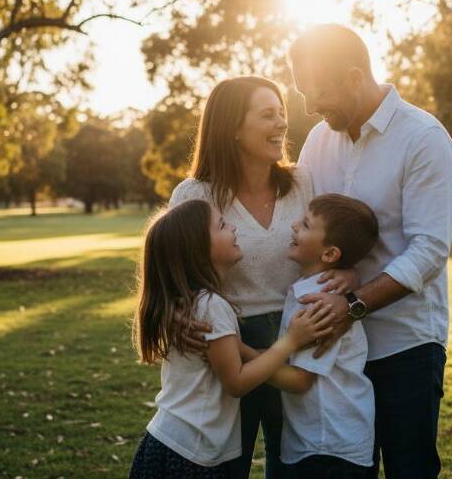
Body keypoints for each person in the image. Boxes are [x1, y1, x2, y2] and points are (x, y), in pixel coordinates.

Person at [289, 24, 452, 479]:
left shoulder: (424, 138)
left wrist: (353, 303)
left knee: (409, 470)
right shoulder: (317, 142)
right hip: (337, 351)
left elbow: (430, 250)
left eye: (316, 92)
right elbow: (304, 230)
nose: (309, 107)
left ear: (352, 77)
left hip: (405, 344)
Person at [168, 76, 319, 479]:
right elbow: (171, 276)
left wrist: (347, 273)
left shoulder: (303, 183)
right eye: (268, 114)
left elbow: (331, 245)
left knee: (293, 464)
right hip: (224, 345)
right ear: (233, 127)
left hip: (297, 335)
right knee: (227, 467)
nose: (282, 123)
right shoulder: (193, 195)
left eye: (282, 112)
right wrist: (176, 314)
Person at [128, 199, 334, 479]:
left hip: (171, 441)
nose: (234, 228)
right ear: (198, 249)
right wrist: (291, 341)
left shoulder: (193, 303)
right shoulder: (211, 305)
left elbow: (232, 360)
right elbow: (236, 382)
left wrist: (246, 349)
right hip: (190, 454)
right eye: (222, 225)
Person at [277, 194, 379, 478]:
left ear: (330, 254)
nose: (295, 226)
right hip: (318, 443)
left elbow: (299, 380)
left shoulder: (319, 302)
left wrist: (239, 356)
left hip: (330, 448)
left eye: (306, 225)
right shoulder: (305, 290)